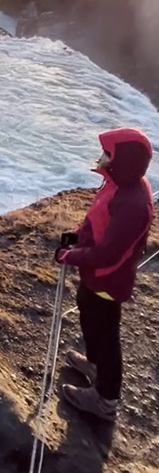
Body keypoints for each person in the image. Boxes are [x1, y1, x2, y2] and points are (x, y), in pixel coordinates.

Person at [56, 127, 154, 420]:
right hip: (96, 277)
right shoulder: (119, 186)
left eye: (108, 154)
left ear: (122, 160)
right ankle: (95, 365)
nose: (101, 158)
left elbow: (109, 253)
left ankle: (105, 400)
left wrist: (69, 256)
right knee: (90, 318)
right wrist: (76, 237)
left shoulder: (133, 204)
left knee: (105, 335)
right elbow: (97, 221)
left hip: (108, 279)